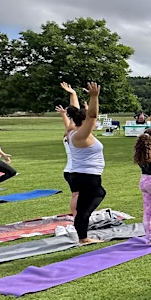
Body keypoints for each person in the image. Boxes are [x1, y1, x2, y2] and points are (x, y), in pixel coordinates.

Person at [67, 83, 106, 244]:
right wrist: (94, 97)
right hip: (86, 176)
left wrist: (73, 95)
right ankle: (83, 236)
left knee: (96, 196)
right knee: (86, 206)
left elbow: (75, 112)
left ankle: (81, 225)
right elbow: (92, 116)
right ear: (83, 121)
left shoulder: (72, 130)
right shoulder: (80, 135)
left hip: (84, 174)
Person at [57, 82, 81, 217]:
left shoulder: (69, 133)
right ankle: (77, 218)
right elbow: (75, 111)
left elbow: (70, 120)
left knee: (76, 195)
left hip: (70, 170)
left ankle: (77, 216)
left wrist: (63, 115)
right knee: (77, 195)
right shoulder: (74, 132)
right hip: (75, 171)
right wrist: (73, 94)